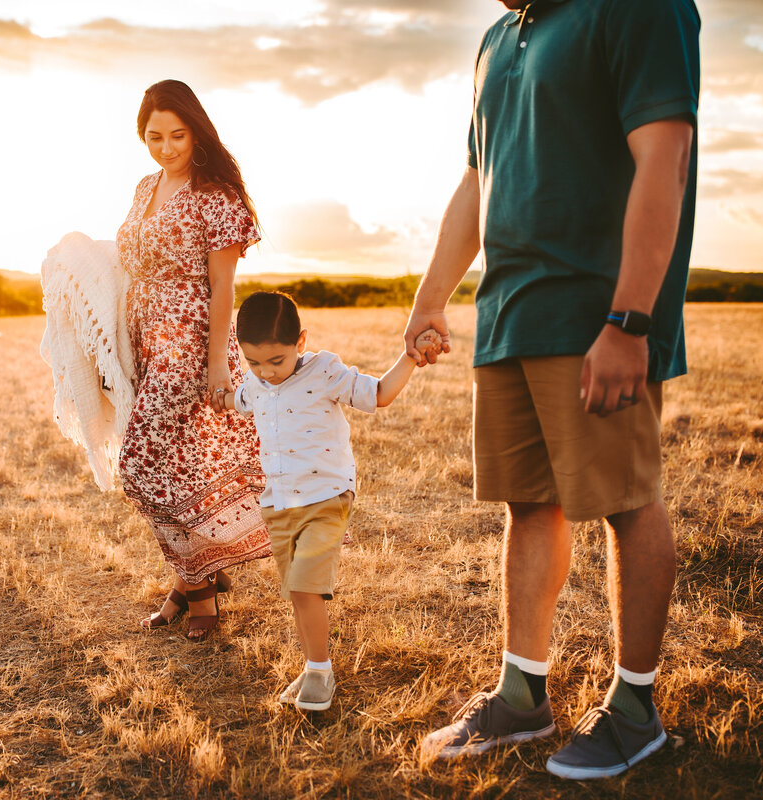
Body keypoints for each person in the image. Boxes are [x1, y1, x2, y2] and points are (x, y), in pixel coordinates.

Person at [405, 0, 700, 780]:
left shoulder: (637, 10)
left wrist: (630, 319)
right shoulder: (497, 39)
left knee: (626, 500)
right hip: (510, 309)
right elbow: (478, 180)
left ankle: (635, 710)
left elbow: (665, 154)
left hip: (595, 314)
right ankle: (520, 698)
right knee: (530, 502)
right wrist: (432, 296)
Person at [222, 291, 436, 710]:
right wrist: (218, 395)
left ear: (300, 342)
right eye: (254, 363)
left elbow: (379, 394)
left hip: (326, 498)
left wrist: (411, 357)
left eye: (276, 361)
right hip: (279, 504)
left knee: (306, 588)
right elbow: (240, 401)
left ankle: (321, 671)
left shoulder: (325, 371)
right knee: (298, 593)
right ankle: (311, 665)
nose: (266, 372)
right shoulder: (256, 383)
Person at [116, 79, 271, 642]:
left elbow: (223, 291)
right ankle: (191, 579)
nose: (165, 147)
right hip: (146, 343)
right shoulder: (144, 187)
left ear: (196, 131)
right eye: (153, 136)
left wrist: (215, 365)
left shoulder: (216, 197)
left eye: (177, 134)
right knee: (176, 468)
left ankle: (197, 593)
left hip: (191, 344)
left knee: (144, 465)